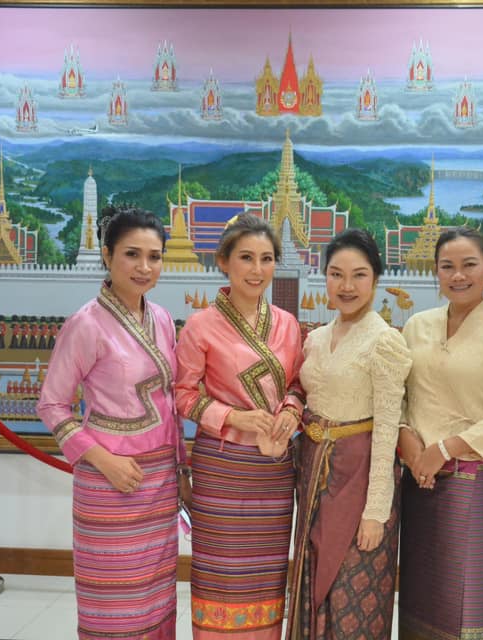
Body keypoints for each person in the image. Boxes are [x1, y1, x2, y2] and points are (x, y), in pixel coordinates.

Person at [36, 205, 188, 640]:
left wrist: (181, 471)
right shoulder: (85, 324)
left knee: (157, 596)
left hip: (159, 481)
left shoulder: (162, 319)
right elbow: (52, 405)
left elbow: (170, 401)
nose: (144, 267)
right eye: (132, 254)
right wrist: (104, 461)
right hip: (109, 482)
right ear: (107, 255)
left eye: (154, 257)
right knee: (115, 602)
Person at [174, 213, 304, 640]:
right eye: (246, 257)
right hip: (222, 468)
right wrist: (233, 417)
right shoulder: (200, 325)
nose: (257, 269)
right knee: (221, 574)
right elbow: (182, 395)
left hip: (274, 468)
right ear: (223, 261)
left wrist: (290, 411)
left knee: (267, 577)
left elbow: (298, 385)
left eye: (267, 259)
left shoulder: (287, 324)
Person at [397, 227, 483, 640]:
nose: (458, 275)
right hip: (417, 479)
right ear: (435, 272)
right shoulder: (416, 326)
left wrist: (444, 449)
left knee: (465, 602)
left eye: (469, 265)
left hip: (471, 483)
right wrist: (406, 438)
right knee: (418, 597)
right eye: (447, 266)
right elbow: (398, 395)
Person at [287, 229, 412, 640]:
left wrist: (376, 511)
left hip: (360, 478)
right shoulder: (316, 339)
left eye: (359, 275)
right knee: (312, 579)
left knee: (351, 594)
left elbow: (388, 430)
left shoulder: (385, 342)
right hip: (315, 475)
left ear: (375, 279)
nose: (346, 286)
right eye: (336, 274)